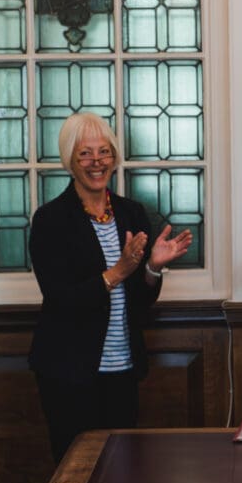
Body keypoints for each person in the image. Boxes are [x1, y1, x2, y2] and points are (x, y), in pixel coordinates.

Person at [29, 112, 192, 463]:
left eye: (104, 152)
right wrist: (117, 272)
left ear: (114, 158)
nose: (96, 162)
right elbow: (60, 299)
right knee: (75, 470)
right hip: (69, 373)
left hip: (123, 368)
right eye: (85, 153)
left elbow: (140, 301)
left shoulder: (132, 214)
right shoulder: (50, 221)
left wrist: (152, 267)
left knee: (123, 470)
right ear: (70, 160)